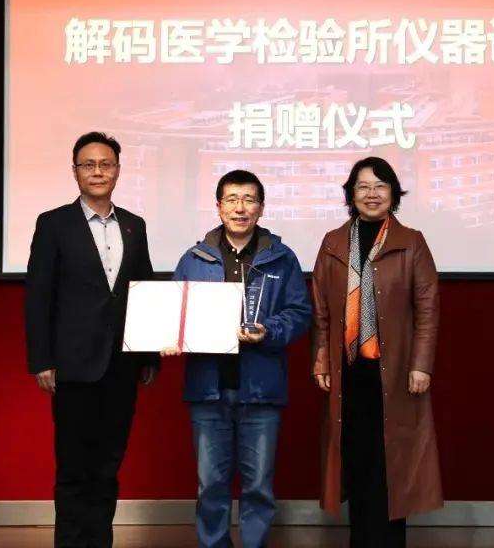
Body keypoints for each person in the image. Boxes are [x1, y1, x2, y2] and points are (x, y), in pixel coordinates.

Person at [24, 132, 159, 548]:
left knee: (107, 468)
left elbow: (142, 289)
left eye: (106, 164)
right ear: (75, 172)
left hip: (121, 365)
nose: (98, 172)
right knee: (73, 469)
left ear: (118, 170)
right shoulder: (54, 224)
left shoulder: (134, 225)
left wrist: (149, 354)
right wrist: (41, 359)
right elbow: (38, 296)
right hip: (73, 365)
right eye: (88, 164)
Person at [164, 169, 311, 548]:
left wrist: (269, 330)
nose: (240, 208)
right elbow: (174, 313)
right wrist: (171, 336)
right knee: (210, 486)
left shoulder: (282, 259)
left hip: (261, 390)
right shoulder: (194, 259)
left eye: (248, 200)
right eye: (232, 200)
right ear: (219, 207)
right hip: (207, 390)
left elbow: (300, 313)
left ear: (261, 207)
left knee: (258, 486)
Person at [310, 156, 442, 547]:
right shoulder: (333, 242)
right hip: (348, 372)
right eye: (363, 186)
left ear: (393, 193)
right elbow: (320, 307)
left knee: (391, 464)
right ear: (351, 194)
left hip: (396, 373)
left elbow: (428, 307)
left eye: (380, 186)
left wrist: (421, 365)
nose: (372, 194)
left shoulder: (411, 242)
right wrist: (321, 358)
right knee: (355, 460)